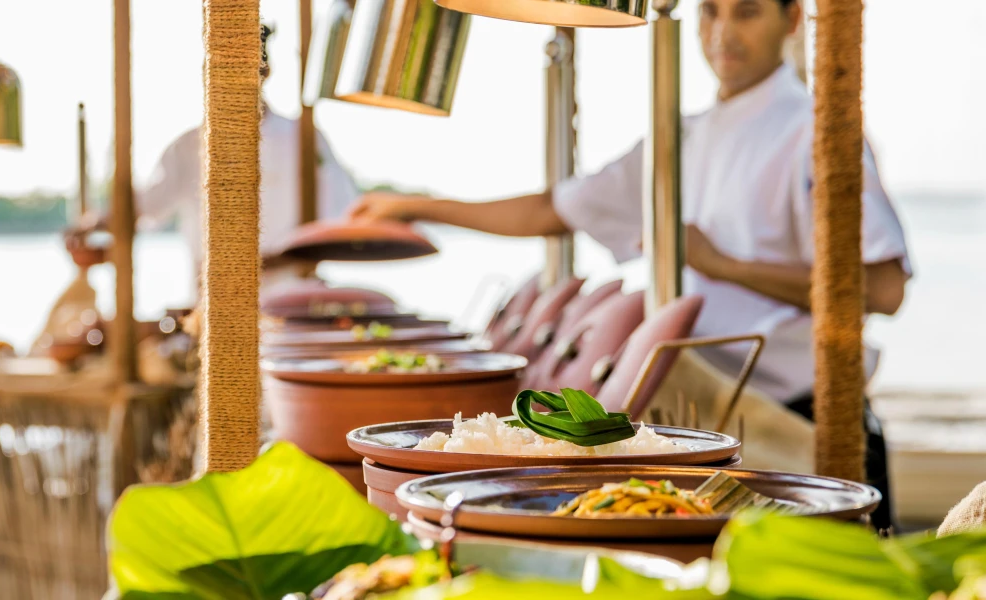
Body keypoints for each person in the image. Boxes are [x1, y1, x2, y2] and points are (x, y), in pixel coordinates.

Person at [349, 0, 909, 530]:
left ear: (793, 20)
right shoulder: (683, 135)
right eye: (710, 10)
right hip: (709, 421)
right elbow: (554, 207)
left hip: (803, 426)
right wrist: (413, 205)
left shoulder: (815, 133)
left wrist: (723, 264)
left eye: (747, 10)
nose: (722, 32)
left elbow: (884, 289)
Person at [68, 24, 359, 294]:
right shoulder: (187, 146)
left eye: (238, 66)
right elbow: (144, 206)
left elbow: (340, 221)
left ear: (264, 70)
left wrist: (270, 263)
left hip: (292, 299)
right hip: (214, 308)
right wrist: (91, 228)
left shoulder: (304, 139)